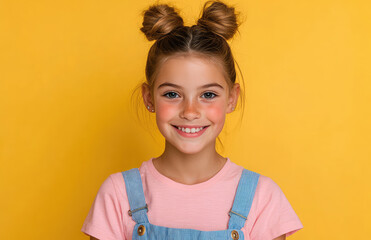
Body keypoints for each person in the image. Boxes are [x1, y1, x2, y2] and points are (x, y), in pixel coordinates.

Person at [81, 1, 304, 239]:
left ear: (231, 99)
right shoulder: (118, 194)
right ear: (149, 98)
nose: (190, 111)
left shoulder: (262, 197)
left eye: (208, 95)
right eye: (172, 94)